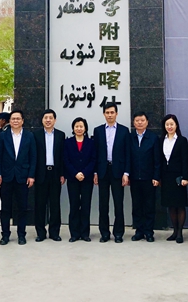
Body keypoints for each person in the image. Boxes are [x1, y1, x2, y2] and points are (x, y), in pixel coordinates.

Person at [0, 110, 36, 245]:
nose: (16, 121)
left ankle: (21, 235)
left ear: (22, 121)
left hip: (22, 177)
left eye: (18, 119)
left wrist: (31, 175)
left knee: (22, 207)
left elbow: (33, 157)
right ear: (10, 121)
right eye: (13, 119)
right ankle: (5, 235)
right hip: (6, 177)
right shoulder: (3, 135)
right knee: (5, 208)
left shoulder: (29, 136)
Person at [93, 102, 130, 243]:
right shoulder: (98, 131)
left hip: (118, 171)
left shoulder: (124, 131)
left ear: (116, 113)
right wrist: (95, 172)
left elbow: (127, 154)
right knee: (103, 205)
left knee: (118, 204)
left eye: (112, 112)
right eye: (107, 112)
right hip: (103, 171)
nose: (109, 115)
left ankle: (118, 233)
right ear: (104, 114)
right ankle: (104, 233)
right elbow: (95, 153)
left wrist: (126, 173)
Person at [32, 109, 65, 242]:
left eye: (51, 118)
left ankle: (54, 232)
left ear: (55, 120)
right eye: (46, 118)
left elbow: (62, 156)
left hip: (55, 173)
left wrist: (62, 174)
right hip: (41, 173)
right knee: (40, 204)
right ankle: (40, 233)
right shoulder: (36, 135)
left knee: (55, 204)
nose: (48, 120)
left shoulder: (61, 135)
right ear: (42, 120)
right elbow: (33, 156)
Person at [128, 112, 161, 242]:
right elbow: (127, 157)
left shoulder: (153, 138)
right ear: (133, 122)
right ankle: (139, 231)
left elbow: (157, 159)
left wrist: (156, 176)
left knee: (149, 206)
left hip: (149, 178)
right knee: (137, 206)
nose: (140, 122)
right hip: (134, 178)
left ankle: (149, 232)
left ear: (147, 122)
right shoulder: (130, 137)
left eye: (142, 120)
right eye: (137, 120)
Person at [160, 114, 188, 243]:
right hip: (166, 177)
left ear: (176, 125)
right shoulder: (161, 139)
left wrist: (185, 177)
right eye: (167, 124)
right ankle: (174, 231)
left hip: (179, 177)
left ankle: (180, 233)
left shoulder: (182, 140)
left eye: (172, 124)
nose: (169, 127)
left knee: (180, 205)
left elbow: (185, 160)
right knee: (171, 205)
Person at [64, 117, 95, 242]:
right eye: (76, 126)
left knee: (86, 206)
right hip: (73, 178)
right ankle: (74, 233)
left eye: (81, 126)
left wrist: (84, 173)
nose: (79, 128)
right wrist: (75, 173)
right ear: (73, 128)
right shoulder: (68, 142)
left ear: (85, 128)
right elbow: (66, 160)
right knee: (74, 206)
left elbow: (93, 160)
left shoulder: (91, 142)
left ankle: (85, 233)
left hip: (87, 179)